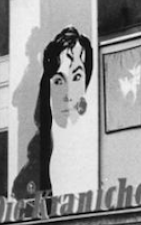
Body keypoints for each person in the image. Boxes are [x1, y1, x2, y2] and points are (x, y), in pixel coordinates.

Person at [12, 26, 94, 200]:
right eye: (58, 81)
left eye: (76, 77)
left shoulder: (93, 148)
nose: (68, 92)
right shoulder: (32, 166)